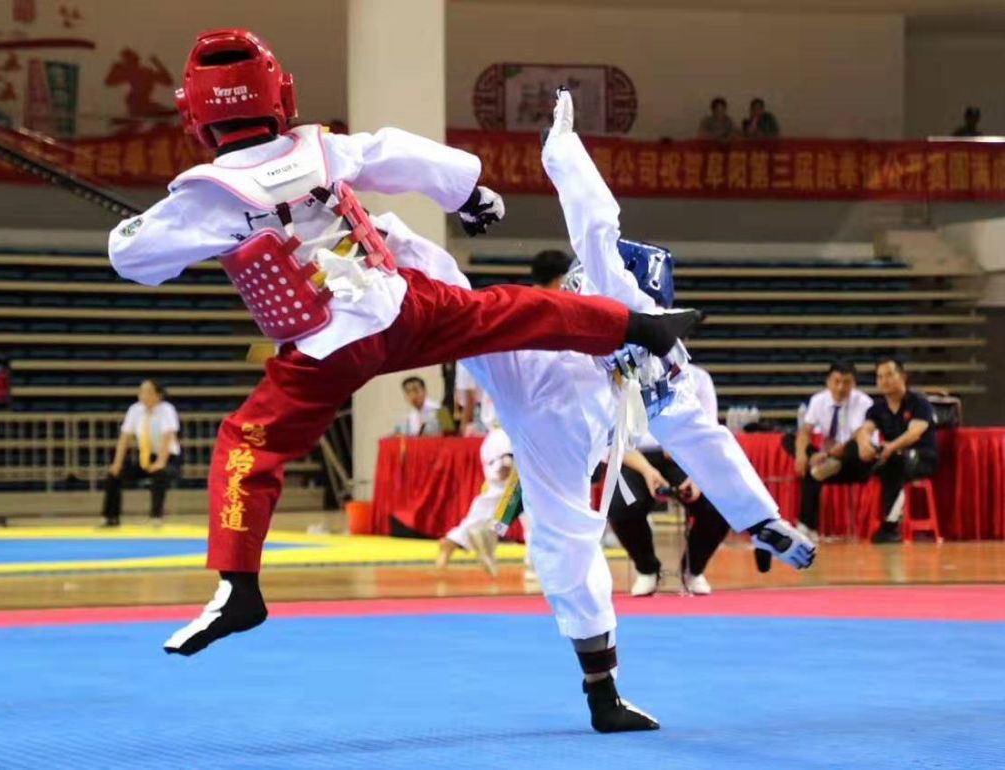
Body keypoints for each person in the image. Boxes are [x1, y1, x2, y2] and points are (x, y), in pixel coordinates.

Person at [108, 29, 700, 658]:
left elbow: (132, 256)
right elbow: (398, 152)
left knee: (247, 445)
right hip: (402, 309)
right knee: (509, 310)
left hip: (327, 346)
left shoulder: (203, 195)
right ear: (280, 95)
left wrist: (156, 226)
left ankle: (239, 584)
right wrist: (469, 195)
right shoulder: (321, 148)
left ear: (195, 113)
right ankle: (639, 326)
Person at [462, 89, 815, 734]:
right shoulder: (610, 282)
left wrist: (761, 519)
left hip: (564, 401)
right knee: (436, 296)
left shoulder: (653, 333)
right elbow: (594, 221)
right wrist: (562, 150)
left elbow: (695, 432)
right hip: (532, 359)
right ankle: (367, 278)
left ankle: (603, 690)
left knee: (568, 538)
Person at [608, 363, 729, 596]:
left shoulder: (699, 378)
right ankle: (647, 569)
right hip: (637, 457)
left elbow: (709, 433)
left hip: (687, 456)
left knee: (719, 506)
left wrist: (697, 473)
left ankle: (693, 569)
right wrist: (646, 470)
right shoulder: (621, 378)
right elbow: (612, 440)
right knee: (621, 508)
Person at [782, 360, 874, 540]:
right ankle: (808, 528)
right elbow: (805, 431)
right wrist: (802, 455)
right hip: (827, 462)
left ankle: (806, 524)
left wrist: (826, 455)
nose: (840, 388)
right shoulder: (818, 400)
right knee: (789, 440)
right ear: (828, 382)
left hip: (854, 463)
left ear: (854, 384)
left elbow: (857, 435)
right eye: (836, 381)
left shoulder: (864, 402)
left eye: (846, 383)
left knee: (852, 448)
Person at [853, 359, 938, 544]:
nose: (884, 381)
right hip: (893, 457)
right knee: (861, 456)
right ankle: (861, 524)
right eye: (880, 377)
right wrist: (863, 444)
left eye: (889, 375)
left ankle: (891, 526)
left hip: (921, 458)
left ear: (903, 377)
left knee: (895, 463)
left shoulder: (919, 403)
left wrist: (891, 447)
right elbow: (865, 429)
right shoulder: (876, 409)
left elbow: (914, 433)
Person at [435, 427, 517, 575]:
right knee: (513, 504)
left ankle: (459, 540)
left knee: (501, 505)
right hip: (504, 442)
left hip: (500, 443)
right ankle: (483, 537)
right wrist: (506, 460)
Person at [101, 380, 182, 526]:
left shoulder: (167, 410)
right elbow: (124, 438)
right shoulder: (135, 410)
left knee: (160, 473)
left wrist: (160, 462)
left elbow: (168, 437)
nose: (143, 395)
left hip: (168, 457)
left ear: (158, 395)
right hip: (145, 457)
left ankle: (156, 516)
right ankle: (110, 517)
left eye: (148, 391)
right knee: (114, 475)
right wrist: (117, 464)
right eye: (141, 391)